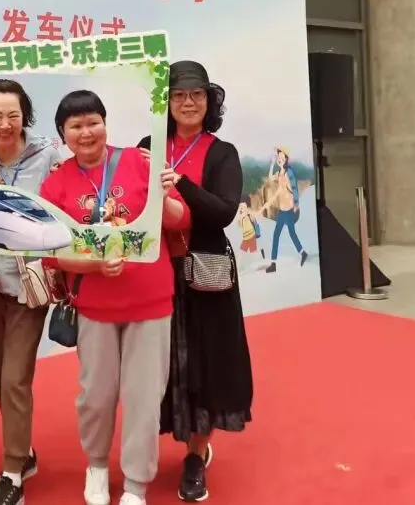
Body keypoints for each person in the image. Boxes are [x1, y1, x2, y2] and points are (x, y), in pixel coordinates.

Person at [39, 90, 181, 505]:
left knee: (144, 399)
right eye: (76, 126)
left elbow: (179, 219)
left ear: (105, 123)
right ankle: (97, 465)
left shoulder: (141, 163)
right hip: (95, 308)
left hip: (150, 303)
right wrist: (94, 266)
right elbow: (50, 253)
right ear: (63, 134)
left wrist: (165, 195)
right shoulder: (57, 182)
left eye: (93, 122)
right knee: (96, 397)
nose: (86, 132)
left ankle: (136, 483)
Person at [138, 60, 253, 503]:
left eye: (197, 95)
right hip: (154, 273)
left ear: (209, 102)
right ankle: (150, 446)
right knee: (159, 364)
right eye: (179, 95)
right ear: (166, 103)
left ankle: (195, 455)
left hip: (204, 273)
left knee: (206, 364)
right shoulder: (149, 146)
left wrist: (181, 184)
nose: (188, 102)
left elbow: (224, 212)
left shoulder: (222, 153)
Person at [0, 79, 61, 505]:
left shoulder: (49, 156)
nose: (5, 124)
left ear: (25, 116)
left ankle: (12, 472)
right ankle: (23, 449)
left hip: (31, 283)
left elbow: (82, 180)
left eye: (13, 115)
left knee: (15, 377)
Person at [260, 146, 307, 272]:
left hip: (289, 210)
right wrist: (271, 164)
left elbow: (294, 188)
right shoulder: (280, 173)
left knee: (290, 234)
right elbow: (270, 178)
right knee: (278, 235)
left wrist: (296, 204)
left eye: (282, 157)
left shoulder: (288, 173)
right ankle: (274, 263)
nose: (279, 159)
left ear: (286, 159)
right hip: (282, 210)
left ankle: (302, 253)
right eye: (278, 158)